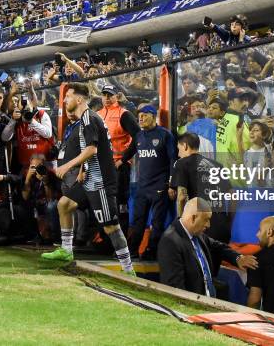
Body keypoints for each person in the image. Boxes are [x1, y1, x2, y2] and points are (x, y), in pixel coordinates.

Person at [42, 83, 135, 276]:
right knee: (64, 205)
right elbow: (92, 149)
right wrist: (82, 169)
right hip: (90, 177)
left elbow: (92, 149)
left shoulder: (89, 119)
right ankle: (67, 251)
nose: (65, 100)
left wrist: (67, 166)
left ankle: (128, 269)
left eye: (68, 96)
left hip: (100, 181)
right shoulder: (86, 118)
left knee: (111, 226)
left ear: (79, 99)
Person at [158, 198, 257, 298]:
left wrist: (238, 258)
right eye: (206, 220)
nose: (209, 225)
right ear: (193, 218)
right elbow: (175, 290)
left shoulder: (196, 234)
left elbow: (219, 247)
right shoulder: (170, 241)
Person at [121, 104, 176, 259]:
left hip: (160, 185)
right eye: (139, 116)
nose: (141, 118)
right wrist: (121, 161)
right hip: (142, 186)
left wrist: (172, 183)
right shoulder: (139, 136)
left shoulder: (165, 135)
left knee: (157, 221)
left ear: (153, 115)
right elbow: (131, 150)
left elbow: (173, 158)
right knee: (138, 220)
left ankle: (151, 251)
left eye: (144, 115)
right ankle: (132, 251)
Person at [171, 133, 232, 243]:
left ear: (185, 146)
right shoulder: (217, 165)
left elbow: (181, 197)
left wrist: (181, 223)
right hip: (222, 228)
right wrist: (229, 220)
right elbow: (233, 195)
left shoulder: (182, 163)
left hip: (200, 227)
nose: (179, 154)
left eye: (178, 149)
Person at [97, 84, 139, 233]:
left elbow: (138, 138)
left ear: (117, 96)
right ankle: (105, 237)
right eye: (104, 95)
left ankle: (123, 238)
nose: (107, 98)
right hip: (101, 166)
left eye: (110, 95)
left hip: (119, 166)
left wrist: (123, 159)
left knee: (120, 203)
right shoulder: (98, 114)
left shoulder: (124, 114)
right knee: (103, 202)